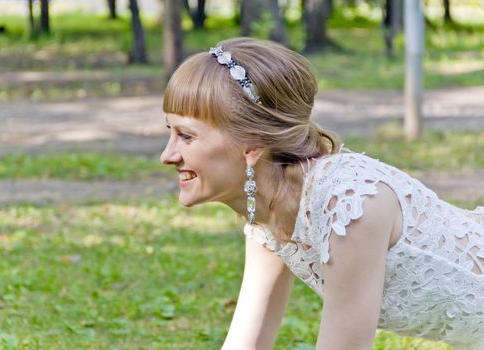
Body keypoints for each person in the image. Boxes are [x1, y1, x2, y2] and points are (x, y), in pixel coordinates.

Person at [159, 37, 484, 350]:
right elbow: (248, 343)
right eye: (170, 132)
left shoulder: (350, 203)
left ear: (253, 143)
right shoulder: (269, 208)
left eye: (186, 137)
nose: (167, 155)